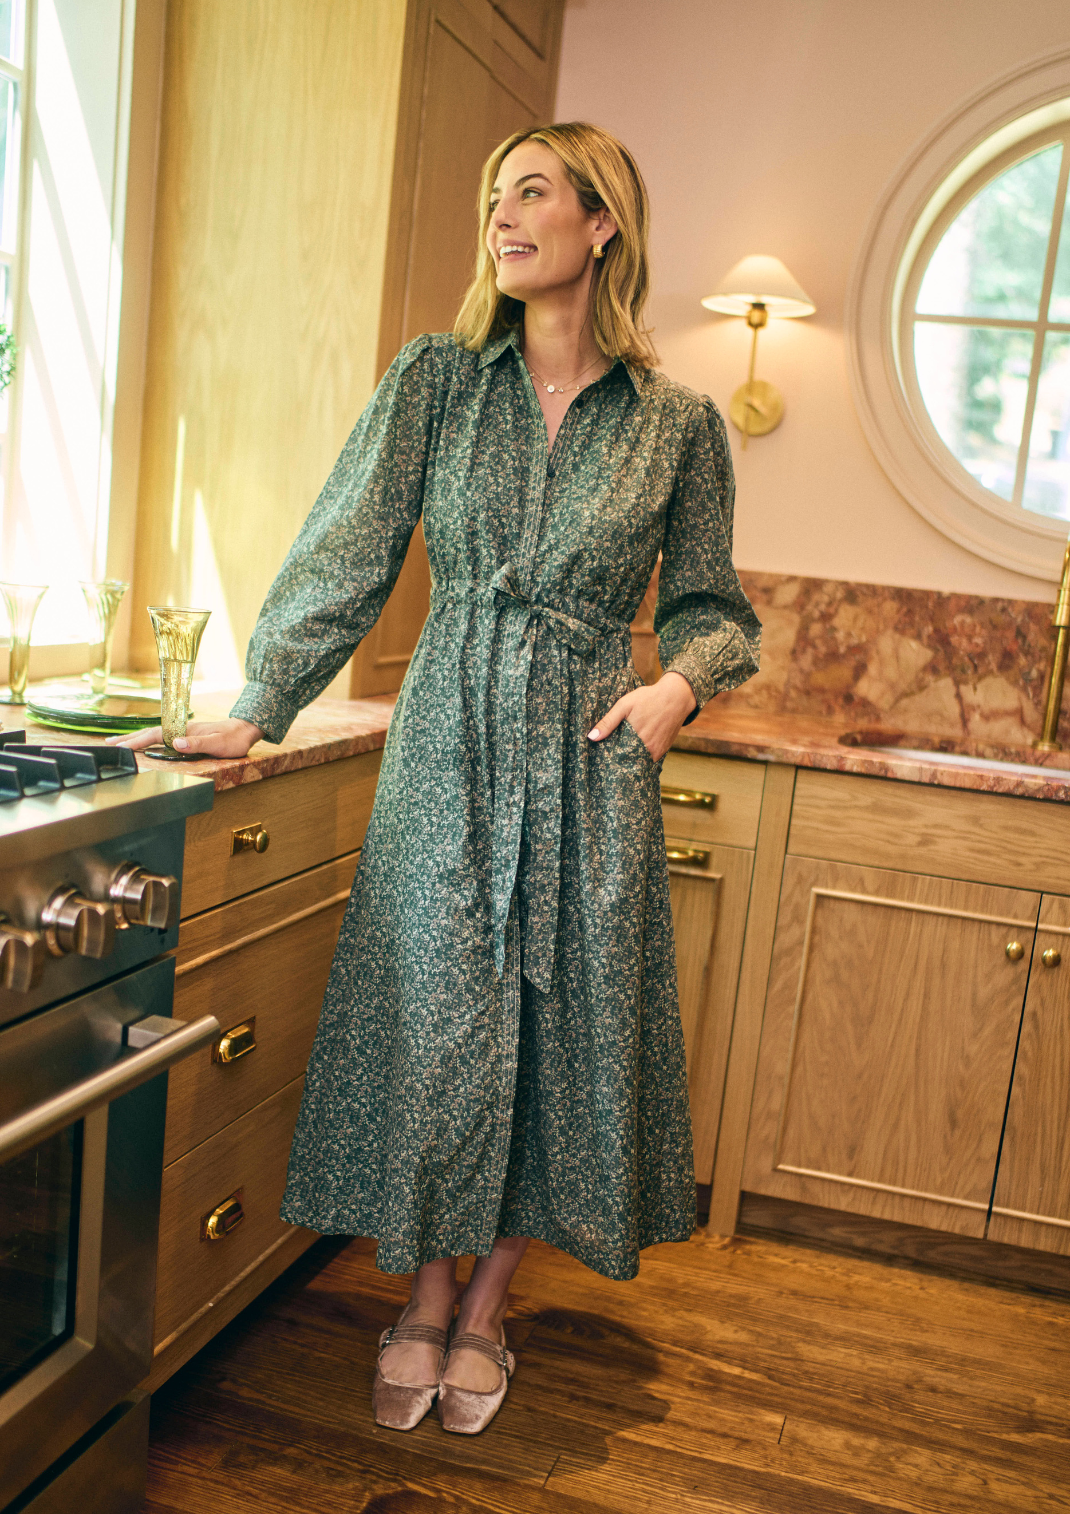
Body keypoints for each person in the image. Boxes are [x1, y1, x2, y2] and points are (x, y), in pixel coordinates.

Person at [116, 122, 760, 1435]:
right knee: (434, 1019)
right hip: (448, 743)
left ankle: (484, 1309)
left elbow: (712, 609)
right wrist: (260, 707)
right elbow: (344, 550)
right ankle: (418, 1295)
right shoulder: (436, 383)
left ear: (601, 224)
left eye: (532, 192)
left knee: (558, 1037)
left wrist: (674, 690)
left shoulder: (676, 425)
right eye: (490, 196)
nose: (501, 215)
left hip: (589, 755)